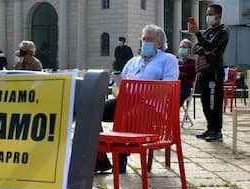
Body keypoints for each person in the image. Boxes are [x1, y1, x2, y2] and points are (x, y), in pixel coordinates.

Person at [96, 24, 179, 174]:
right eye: (143, 39)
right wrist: (119, 93)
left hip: (150, 107)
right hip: (126, 102)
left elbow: (169, 87)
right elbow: (116, 84)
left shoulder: (168, 59)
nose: (145, 42)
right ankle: (100, 159)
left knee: (124, 117)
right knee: (91, 112)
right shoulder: (133, 61)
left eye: (149, 39)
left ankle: (120, 159)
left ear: (159, 43)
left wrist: (140, 91)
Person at [188, 4, 229, 142]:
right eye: (207, 14)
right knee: (205, 101)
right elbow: (195, 48)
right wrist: (204, 48)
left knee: (214, 102)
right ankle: (210, 128)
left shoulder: (223, 31)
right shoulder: (207, 32)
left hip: (215, 71)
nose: (208, 17)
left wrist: (198, 34)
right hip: (204, 72)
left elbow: (210, 46)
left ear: (218, 16)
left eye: (210, 14)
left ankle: (217, 131)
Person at [178, 39, 196, 106]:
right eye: (180, 47)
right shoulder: (176, 60)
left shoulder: (193, 62)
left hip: (185, 88)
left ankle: (174, 114)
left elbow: (187, 68)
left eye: (184, 47)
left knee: (177, 97)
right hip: (174, 87)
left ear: (190, 49)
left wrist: (178, 70)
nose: (181, 49)